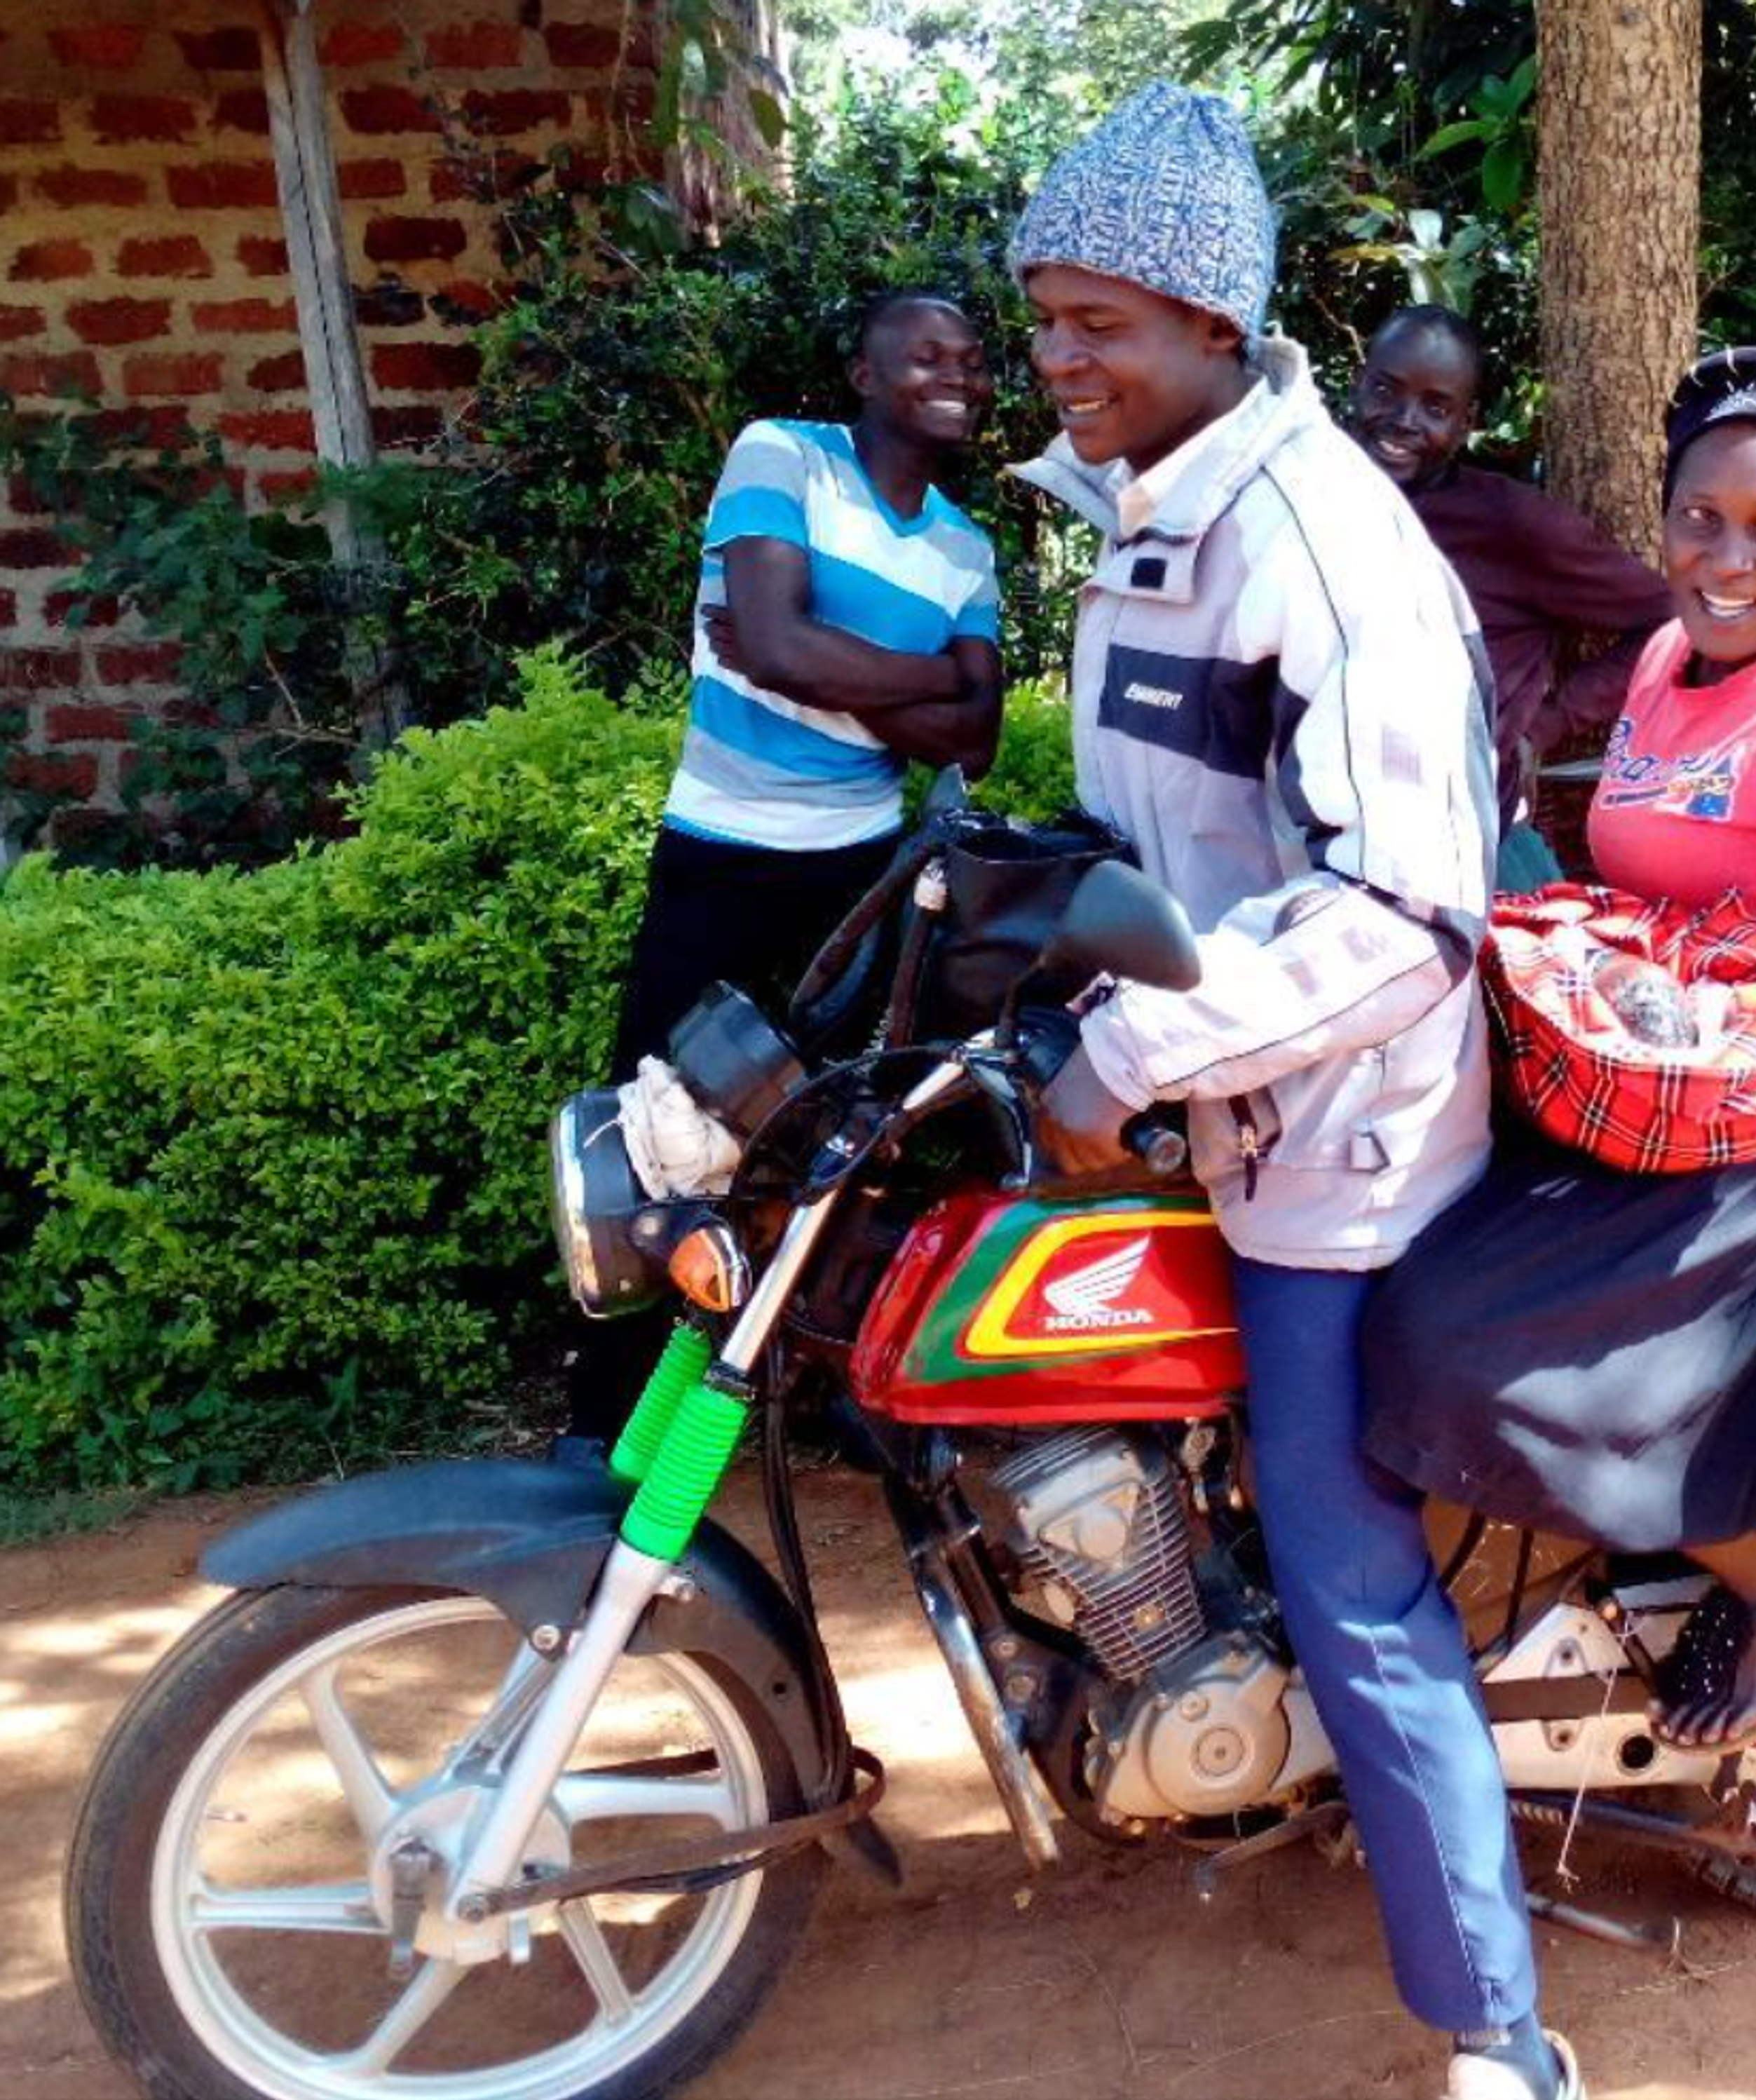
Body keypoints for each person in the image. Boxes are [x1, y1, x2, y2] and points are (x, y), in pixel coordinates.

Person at [1009, 86, 1577, 2100]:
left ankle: (1497, 2031)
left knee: (1350, 1572)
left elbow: (1403, 915)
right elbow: (1152, 823)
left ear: (1212, 322)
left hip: (1337, 1140)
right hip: (1213, 1097)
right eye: (1047, 319)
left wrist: (1129, 1053)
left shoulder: (1324, 544)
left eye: (1099, 321)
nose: (1060, 357)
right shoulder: (1151, 508)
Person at [1363, 347, 1756, 1754]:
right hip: (1645, 1083)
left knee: (1460, 1347)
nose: (1726, 557)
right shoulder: (1667, 662)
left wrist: (1694, 1118)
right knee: (1385, 1265)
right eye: (1699, 518)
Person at [559, 290, 1003, 1450]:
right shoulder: (783, 457)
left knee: (822, 1141)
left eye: (972, 356)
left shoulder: (966, 548)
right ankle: (602, 1415)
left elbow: (976, 737)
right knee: (651, 1133)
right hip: (720, 858)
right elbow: (774, 638)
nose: (954, 370)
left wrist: (801, 660)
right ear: (862, 368)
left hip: (855, 880)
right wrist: (909, 682)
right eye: (926, 352)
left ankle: (796, 1394)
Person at [1347, 305, 1669, 843]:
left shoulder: (1509, 523)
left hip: (1455, 834)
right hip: (1312, 815)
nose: (1404, 420)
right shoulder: (1312, 493)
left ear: (1466, 423)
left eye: (1435, 407)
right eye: (1385, 391)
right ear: (1358, 384)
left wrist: (1548, 723)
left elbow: (1671, 618)